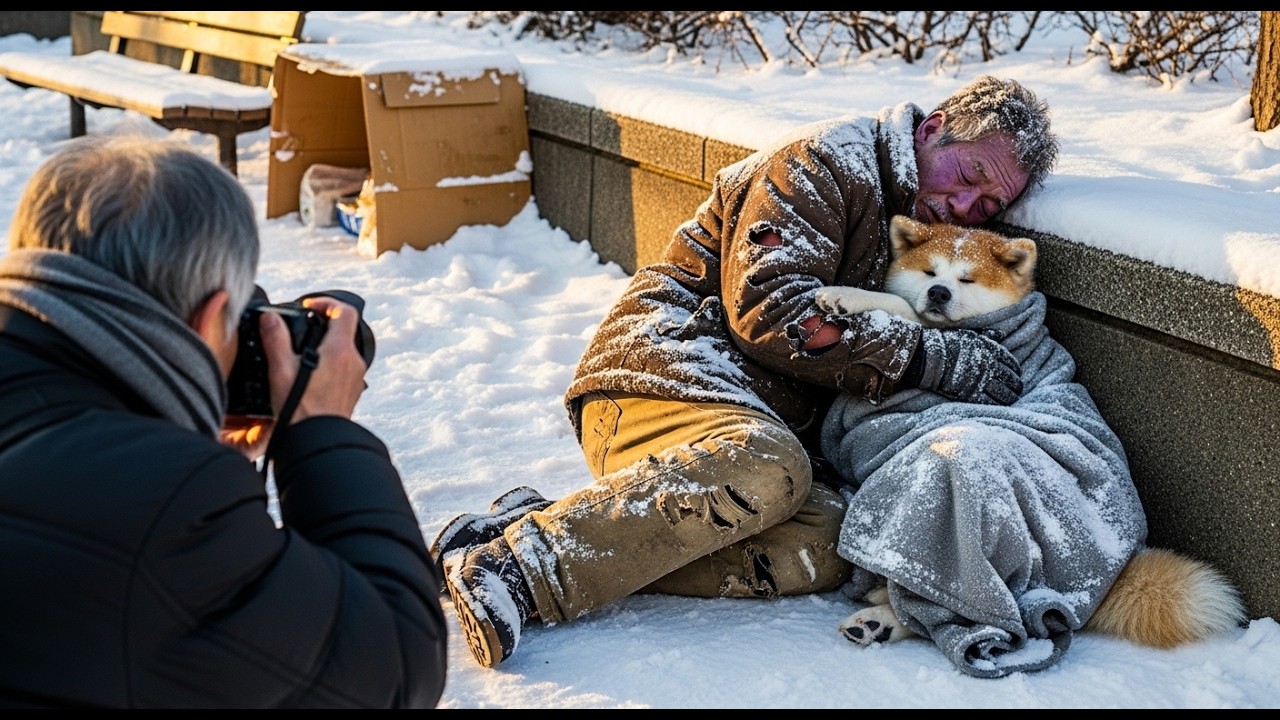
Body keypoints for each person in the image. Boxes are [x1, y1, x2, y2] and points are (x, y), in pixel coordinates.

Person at [438, 75, 1059, 669]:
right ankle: (518, 571)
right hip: (658, 379)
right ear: (937, 128)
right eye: (970, 175)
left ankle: (554, 524)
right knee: (771, 468)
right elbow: (772, 311)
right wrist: (930, 357)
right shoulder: (822, 164)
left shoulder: (924, 225)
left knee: (829, 543)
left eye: (988, 203)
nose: (965, 204)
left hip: (739, 434)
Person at [0, 135, 447, 707]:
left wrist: (173, 428)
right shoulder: (163, 503)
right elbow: (395, 666)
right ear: (212, 318)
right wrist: (321, 431)